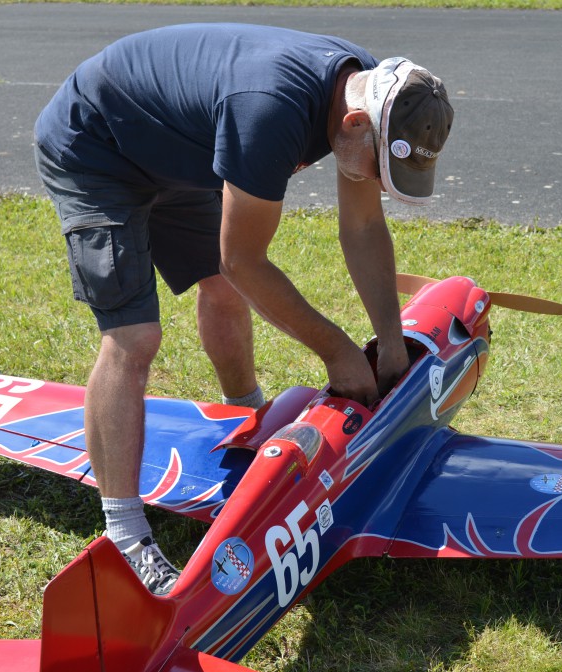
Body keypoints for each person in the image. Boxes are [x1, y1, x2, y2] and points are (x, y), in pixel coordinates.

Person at [33, 23, 453, 595]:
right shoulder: (270, 111)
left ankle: (245, 417)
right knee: (134, 338)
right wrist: (339, 352)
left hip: (176, 149)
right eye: (381, 167)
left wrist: (390, 339)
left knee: (223, 291)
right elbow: (245, 261)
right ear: (355, 124)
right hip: (97, 147)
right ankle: (125, 534)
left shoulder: (370, 91)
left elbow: (362, 225)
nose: (379, 182)